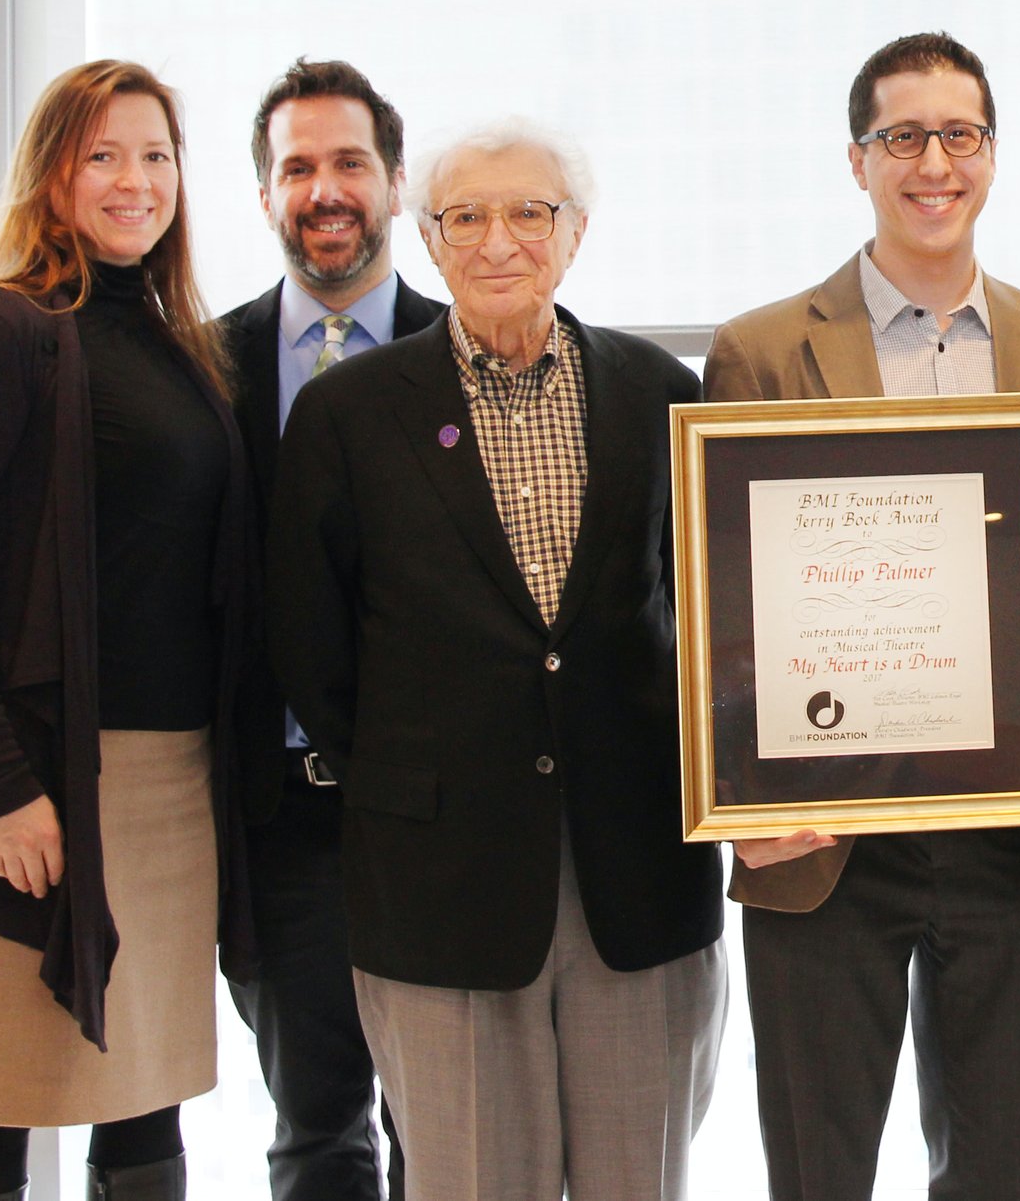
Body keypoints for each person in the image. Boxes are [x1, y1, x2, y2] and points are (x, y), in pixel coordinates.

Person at [264, 120, 728, 1201]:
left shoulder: (663, 391)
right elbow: (309, 640)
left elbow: (717, 620)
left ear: (574, 233)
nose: (498, 240)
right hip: (440, 885)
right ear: (426, 237)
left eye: (530, 211)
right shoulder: (349, 413)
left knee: (638, 1181)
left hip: (637, 877)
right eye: (465, 215)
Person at [703, 31, 1020, 1201]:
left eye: (960, 134)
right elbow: (718, 602)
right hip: (824, 831)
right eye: (903, 136)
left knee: (1004, 1175)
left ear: (992, 153)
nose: (933, 161)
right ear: (857, 159)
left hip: (1012, 827)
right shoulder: (760, 349)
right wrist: (737, 801)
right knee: (817, 1174)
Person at [0, 60, 254, 1201]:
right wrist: (2, 787)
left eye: (155, 155)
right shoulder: (6, 332)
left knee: (144, 1082)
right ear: (52, 174)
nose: (134, 180)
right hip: (47, 779)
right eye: (102, 154)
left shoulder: (171, 338)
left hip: (174, 776)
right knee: (0, 1090)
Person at [221, 58, 441, 1201]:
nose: (324, 188)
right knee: (315, 1134)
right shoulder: (202, 369)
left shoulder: (475, 361)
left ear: (396, 182)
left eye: (348, 161)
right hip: (279, 823)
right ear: (264, 194)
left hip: (439, 819)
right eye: (295, 166)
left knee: (445, 1138)